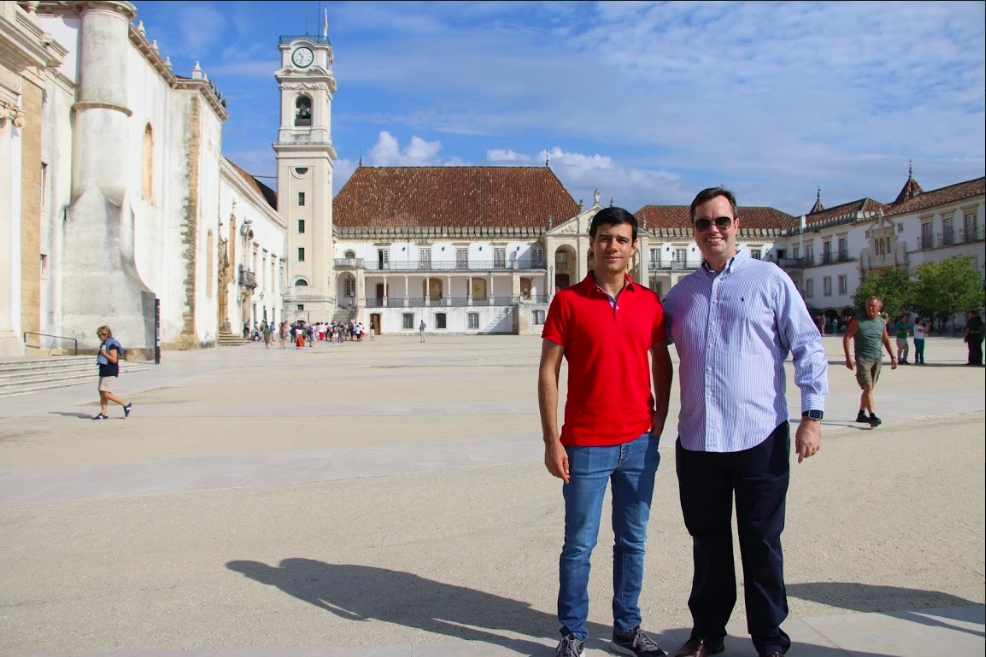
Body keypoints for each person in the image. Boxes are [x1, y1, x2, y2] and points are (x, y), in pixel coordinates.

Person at [662, 188, 827, 657]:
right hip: (698, 440)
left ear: (738, 225)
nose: (713, 230)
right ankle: (708, 632)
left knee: (761, 541)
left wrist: (812, 416)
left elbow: (808, 346)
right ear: (691, 230)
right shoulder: (680, 295)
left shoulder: (769, 279)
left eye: (721, 221)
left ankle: (769, 637)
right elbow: (642, 347)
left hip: (760, 436)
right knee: (708, 544)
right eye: (703, 223)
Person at [538, 207, 673, 657]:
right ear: (591, 243)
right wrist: (551, 439)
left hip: (638, 441)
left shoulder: (650, 302)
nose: (612, 246)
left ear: (633, 248)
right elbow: (548, 371)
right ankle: (573, 631)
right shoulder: (567, 301)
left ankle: (626, 626)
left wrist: (661, 416)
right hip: (585, 442)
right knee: (579, 544)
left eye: (620, 239)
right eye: (604, 238)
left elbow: (662, 360)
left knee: (633, 541)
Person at [843, 296, 897, 427]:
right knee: (868, 386)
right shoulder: (858, 321)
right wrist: (848, 358)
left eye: (873, 306)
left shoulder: (881, 321)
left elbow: (885, 339)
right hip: (863, 358)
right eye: (868, 306)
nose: (870, 308)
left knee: (869, 389)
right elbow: (847, 337)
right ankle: (872, 415)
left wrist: (893, 357)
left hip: (877, 358)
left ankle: (861, 414)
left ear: (879, 307)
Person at [92, 325, 133, 420]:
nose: (99, 337)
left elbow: (114, 359)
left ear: (106, 335)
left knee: (105, 393)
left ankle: (126, 404)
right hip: (104, 369)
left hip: (110, 370)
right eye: (98, 335)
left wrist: (103, 353)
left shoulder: (112, 344)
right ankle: (103, 413)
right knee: (102, 391)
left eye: (100, 335)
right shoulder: (105, 343)